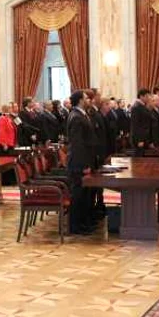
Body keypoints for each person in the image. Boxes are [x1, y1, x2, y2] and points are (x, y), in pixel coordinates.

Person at [66, 90, 97, 235]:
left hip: (84, 161)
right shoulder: (76, 117)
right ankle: (75, 226)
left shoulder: (82, 114)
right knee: (78, 195)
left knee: (84, 194)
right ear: (79, 100)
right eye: (86, 98)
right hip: (78, 163)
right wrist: (84, 165)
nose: (88, 100)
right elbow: (77, 144)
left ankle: (83, 223)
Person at [130, 88, 153, 156]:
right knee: (139, 158)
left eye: (149, 96)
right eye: (147, 96)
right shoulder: (136, 107)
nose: (148, 98)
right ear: (141, 96)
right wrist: (139, 140)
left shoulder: (143, 106)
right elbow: (136, 124)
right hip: (140, 139)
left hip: (145, 137)